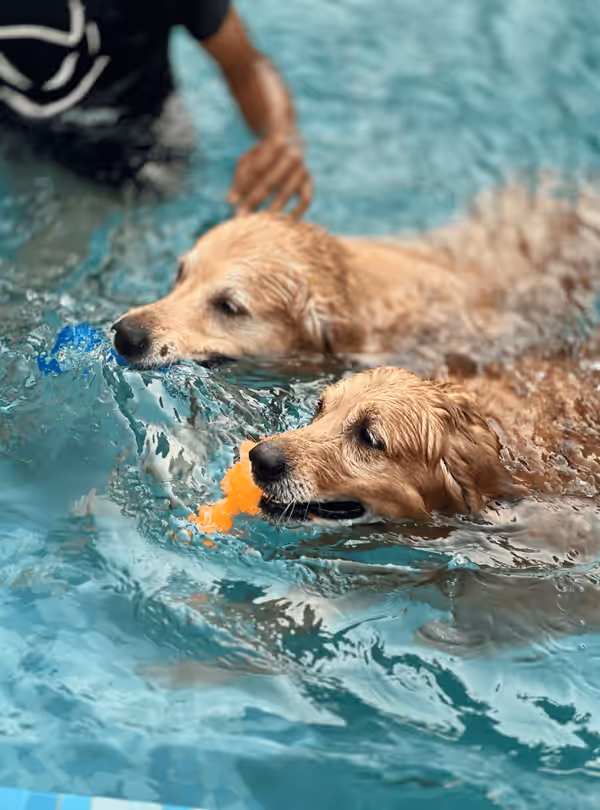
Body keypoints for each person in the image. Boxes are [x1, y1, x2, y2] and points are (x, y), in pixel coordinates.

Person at [0, 0, 313, 216]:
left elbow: (247, 66)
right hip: (16, 129)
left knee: (39, 284)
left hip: (136, 145)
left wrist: (281, 136)